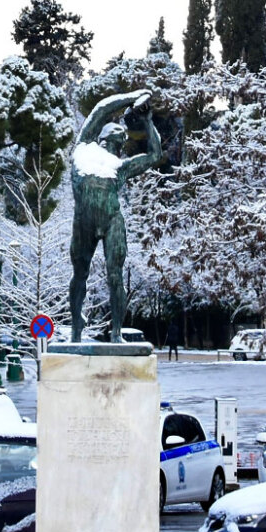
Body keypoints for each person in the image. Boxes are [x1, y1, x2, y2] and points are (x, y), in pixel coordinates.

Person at [68, 90, 163, 343]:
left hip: (111, 221)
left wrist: (148, 120)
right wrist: (133, 98)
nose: (120, 147)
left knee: (113, 275)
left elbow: (155, 156)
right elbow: (101, 109)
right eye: (119, 142)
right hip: (85, 223)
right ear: (108, 139)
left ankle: (116, 333)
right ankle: (77, 329)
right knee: (81, 274)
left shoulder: (118, 167)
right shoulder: (83, 149)